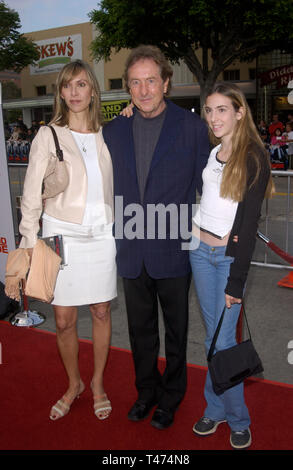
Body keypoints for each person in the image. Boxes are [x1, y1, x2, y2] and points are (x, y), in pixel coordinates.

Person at [103, 44, 210, 430]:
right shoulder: (112, 131)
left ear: (166, 82)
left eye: (151, 80)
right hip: (131, 249)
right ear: (128, 89)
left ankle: (171, 397)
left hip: (174, 250)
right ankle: (146, 391)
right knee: (140, 331)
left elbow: (209, 188)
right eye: (135, 82)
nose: (144, 89)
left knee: (177, 333)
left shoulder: (193, 128)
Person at [18, 60, 116, 421]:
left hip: (102, 235)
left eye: (81, 85)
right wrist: (29, 242)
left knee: (102, 311)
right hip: (61, 235)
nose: (74, 93)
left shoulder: (108, 134)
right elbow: (31, 193)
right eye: (67, 86)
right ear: (60, 92)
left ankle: (98, 383)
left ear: (92, 90)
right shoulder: (49, 134)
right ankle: (73, 383)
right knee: (63, 320)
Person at [189, 82, 274, 449]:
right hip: (199, 253)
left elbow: (249, 219)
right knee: (213, 338)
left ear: (240, 112)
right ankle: (218, 409)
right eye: (209, 110)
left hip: (226, 260)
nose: (213, 117)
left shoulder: (254, 155)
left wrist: (236, 282)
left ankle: (235, 417)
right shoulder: (214, 152)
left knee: (223, 341)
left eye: (222, 109)